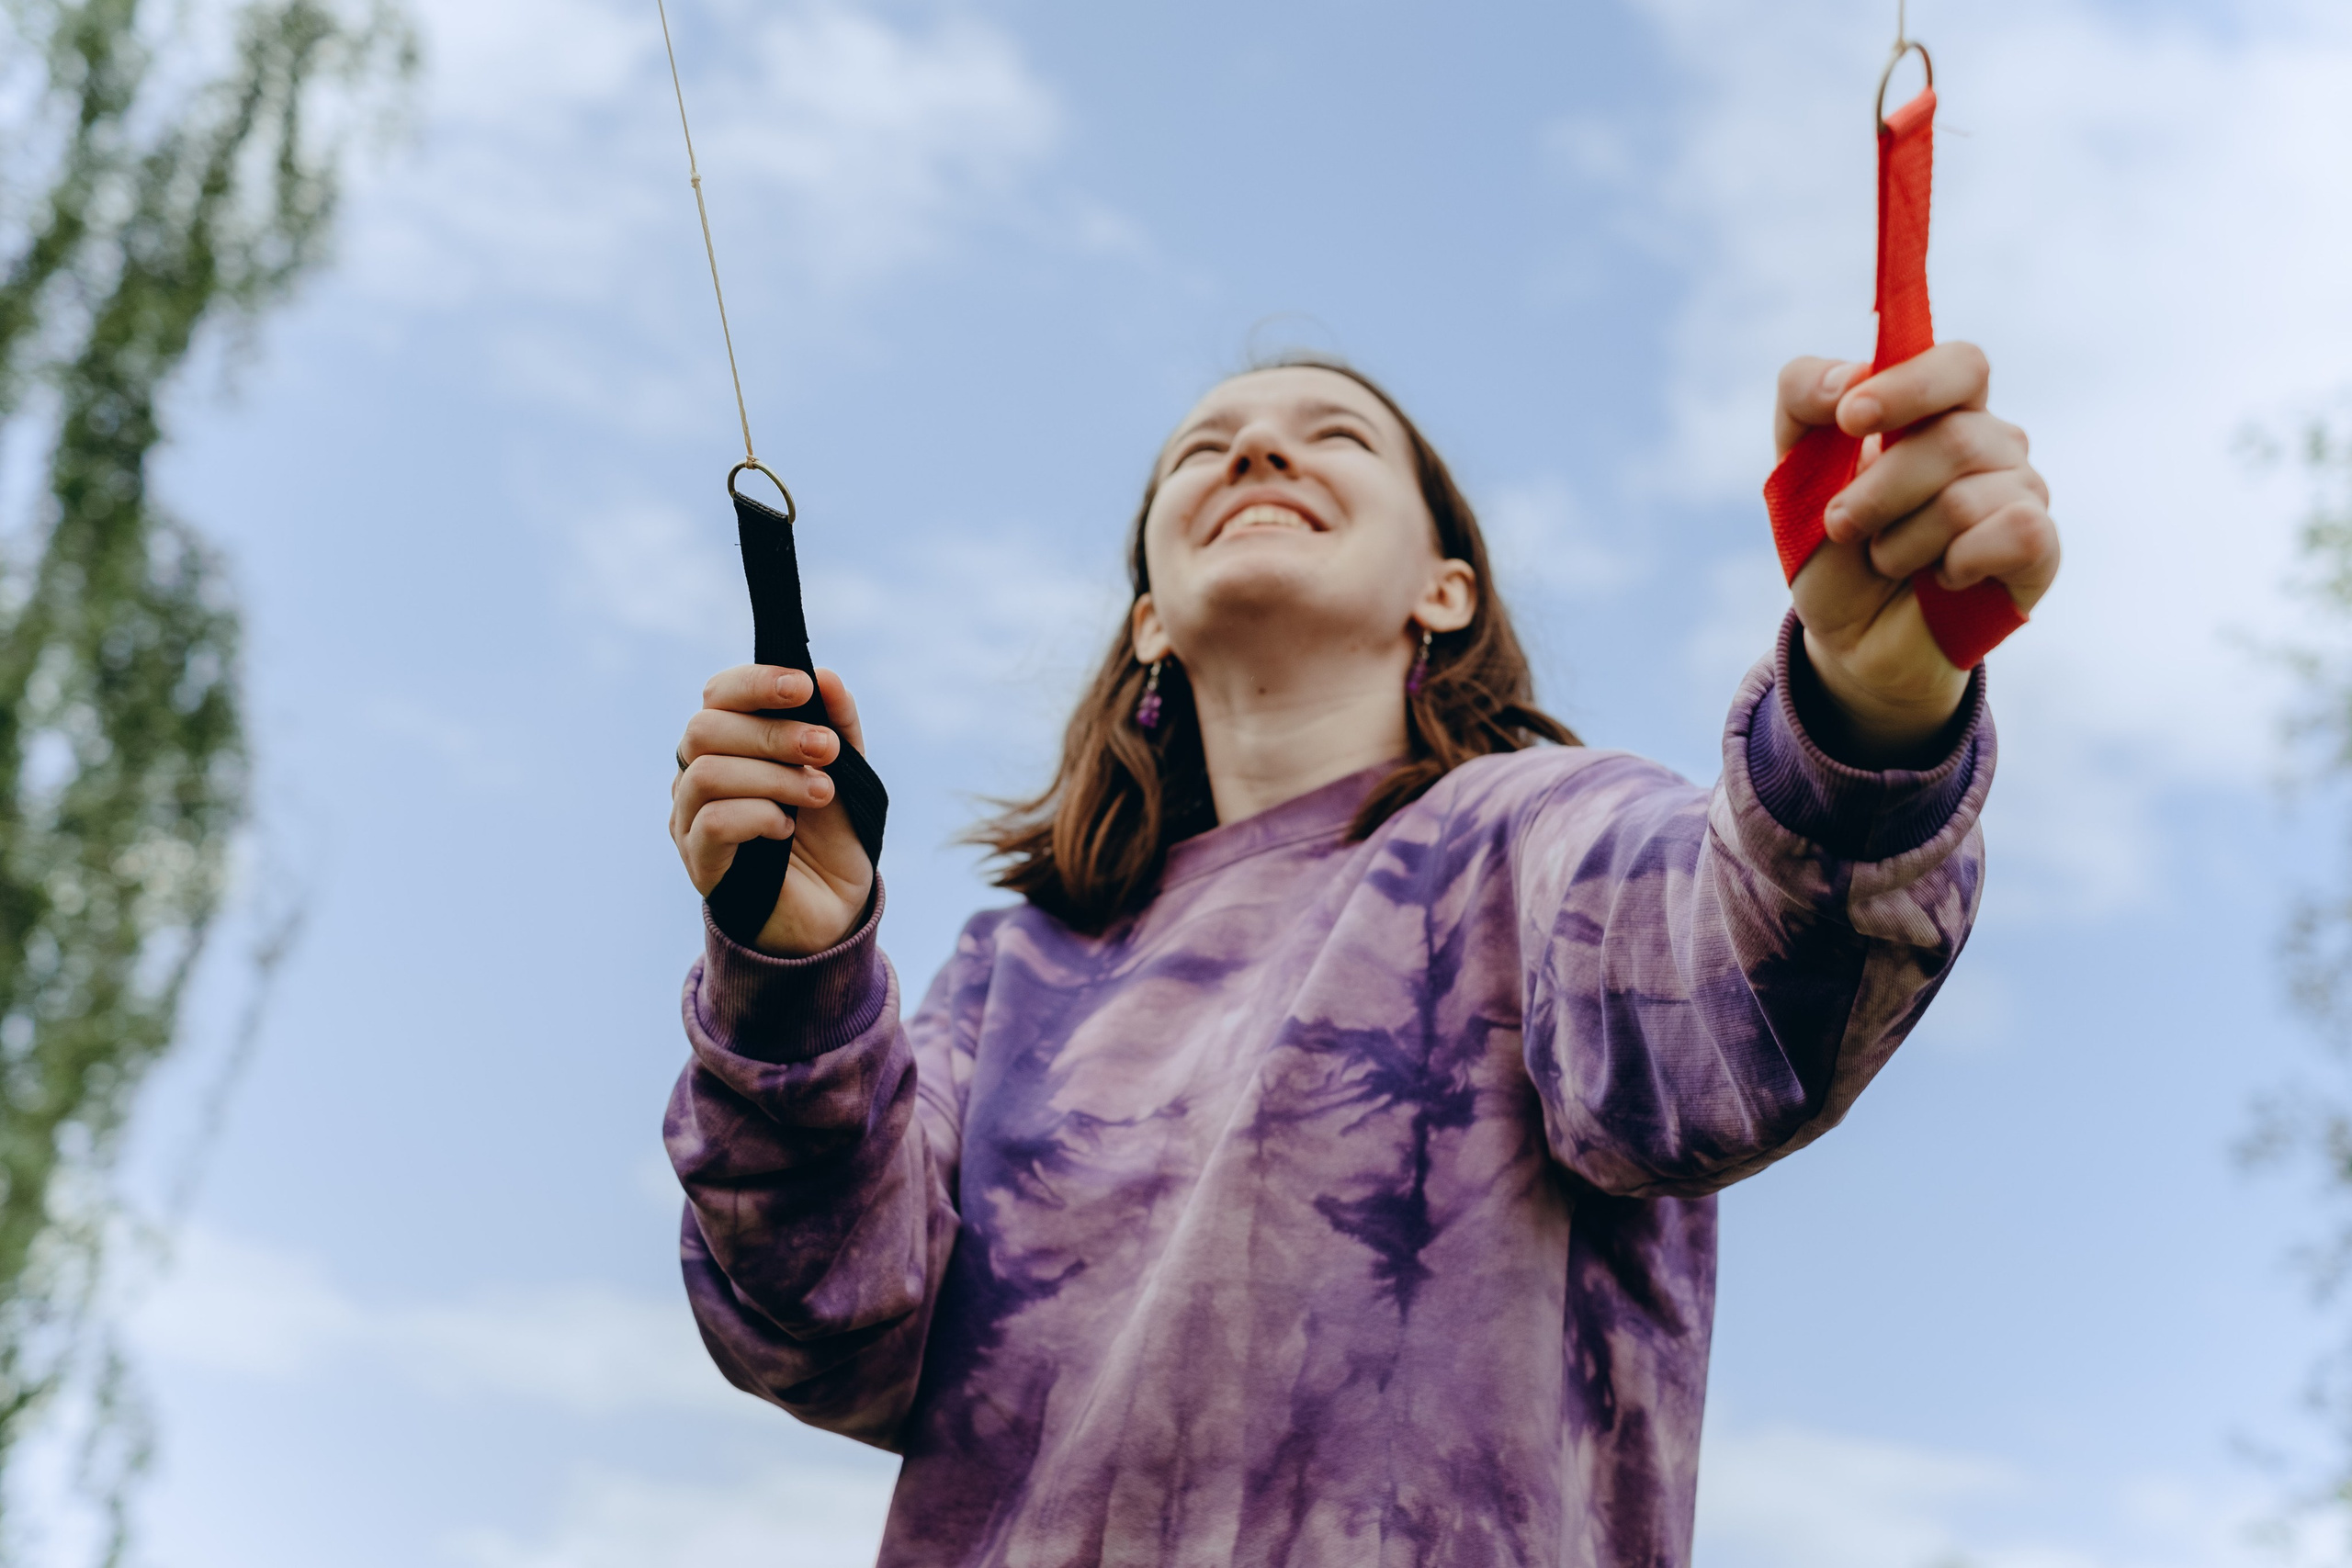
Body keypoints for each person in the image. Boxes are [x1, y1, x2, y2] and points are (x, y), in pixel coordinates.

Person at [663, 348, 2058, 1566]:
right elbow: (825, 1324)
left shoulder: (1537, 836)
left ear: (1445, 589)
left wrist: (1869, 716)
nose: (1257, 450)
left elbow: (1747, 992)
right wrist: (794, 984)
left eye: (1332, 437)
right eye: (1201, 452)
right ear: (1149, 613)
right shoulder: (1009, 973)